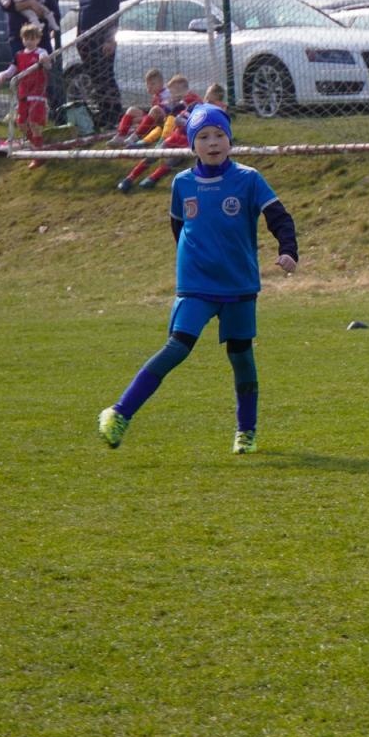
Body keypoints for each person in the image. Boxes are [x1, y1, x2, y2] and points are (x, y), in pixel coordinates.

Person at [97, 105, 299, 454]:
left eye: (219, 135)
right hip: (196, 286)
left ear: (229, 140)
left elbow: (279, 217)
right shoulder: (182, 183)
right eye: (203, 137)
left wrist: (288, 250)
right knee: (177, 347)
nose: (213, 142)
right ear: (192, 145)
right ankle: (119, 413)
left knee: (241, 357)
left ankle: (246, 431)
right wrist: (195, 260)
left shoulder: (249, 179)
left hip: (238, 283)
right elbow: (180, 227)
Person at [116, 78, 209, 193]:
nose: (172, 94)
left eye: (173, 91)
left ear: (181, 87)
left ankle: (152, 178)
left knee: (173, 159)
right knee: (154, 154)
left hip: (188, 140)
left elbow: (179, 113)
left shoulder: (192, 99)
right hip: (176, 135)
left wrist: (173, 108)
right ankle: (130, 178)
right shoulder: (184, 101)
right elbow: (176, 116)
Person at [74, 0, 123, 129]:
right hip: (85, 42)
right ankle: (103, 114)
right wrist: (78, 39)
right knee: (95, 80)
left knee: (105, 78)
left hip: (102, 41)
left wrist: (110, 40)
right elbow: (82, 14)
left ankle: (114, 116)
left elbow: (113, 14)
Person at [0, 24, 53, 169]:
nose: (29, 41)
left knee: (34, 123)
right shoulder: (19, 55)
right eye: (26, 38)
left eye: (32, 39)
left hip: (37, 93)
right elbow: (11, 70)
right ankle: (38, 148)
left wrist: (44, 60)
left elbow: (48, 66)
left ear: (38, 39)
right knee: (21, 124)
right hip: (23, 94)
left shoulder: (41, 52)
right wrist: (3, 74)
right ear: (22, 39)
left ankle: (38, 156)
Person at [108, 67, 170, 146]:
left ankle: (135, 137)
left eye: (153, 84)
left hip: (163, 123)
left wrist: (141, 119)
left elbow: (164, 113)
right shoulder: (156, 94)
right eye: (148, 84)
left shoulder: (167, 94)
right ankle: (121, 136)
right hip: (152, 120)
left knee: (155, 109)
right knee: (131, 110)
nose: (149, 86)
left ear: (161, 83)